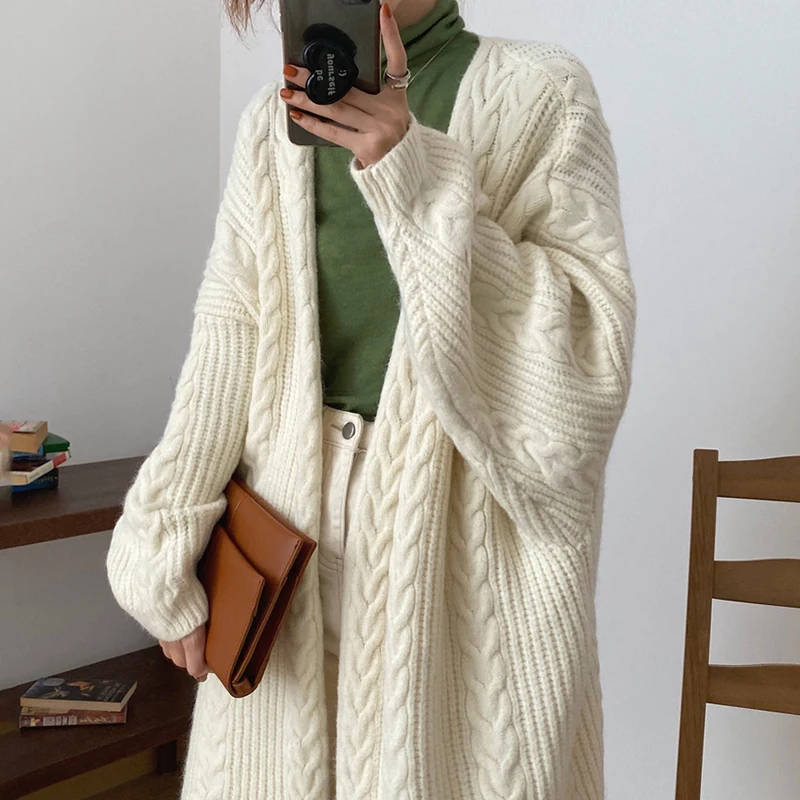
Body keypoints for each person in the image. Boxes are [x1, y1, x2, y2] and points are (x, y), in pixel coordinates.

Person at [106, 0, 637, 796]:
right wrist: (160, 533)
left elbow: (585, 369)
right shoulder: (271, 124)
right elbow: (228, 337)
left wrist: (416, 181)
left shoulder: (543, 93)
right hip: (282, 554)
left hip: (459, 560)